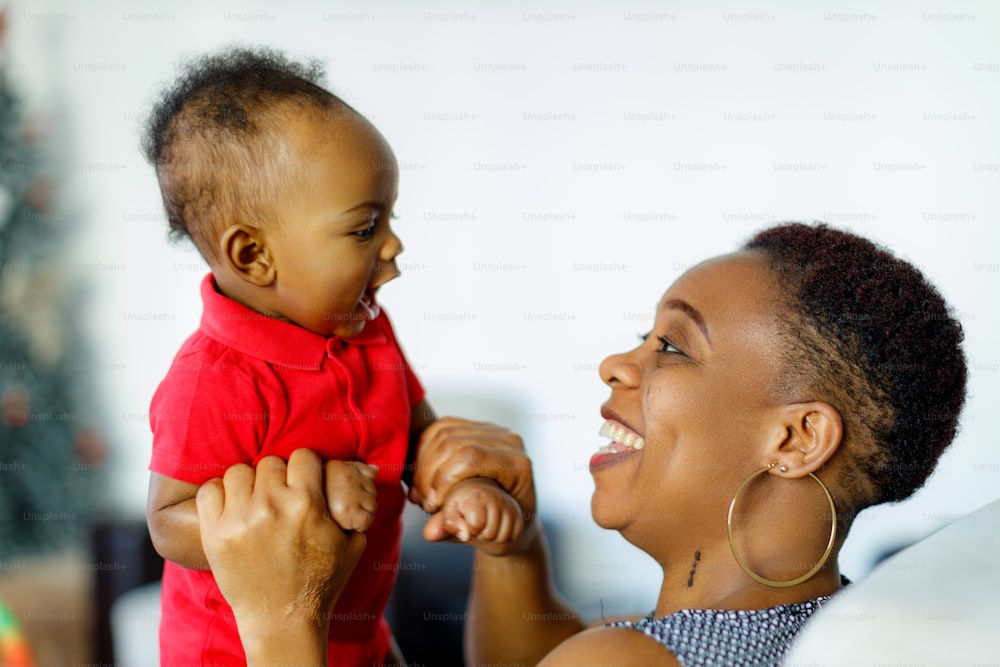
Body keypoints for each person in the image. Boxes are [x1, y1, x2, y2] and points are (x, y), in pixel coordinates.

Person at [200, 222, 968, 666]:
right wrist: (516, 551)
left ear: (796, 438)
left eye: (673, 346)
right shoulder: (814, 630)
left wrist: (281, 618)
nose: (618, 362)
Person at [140, 48, 523, 666]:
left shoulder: (371, 331)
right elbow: (168, 522)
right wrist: (311, 497)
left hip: (359, 635)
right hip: (236, 652)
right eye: (366, 228)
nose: (395, 246)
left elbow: (417, 434)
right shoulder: (213, 379)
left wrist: (460, 482)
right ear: (253, 257)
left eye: (390, 217)